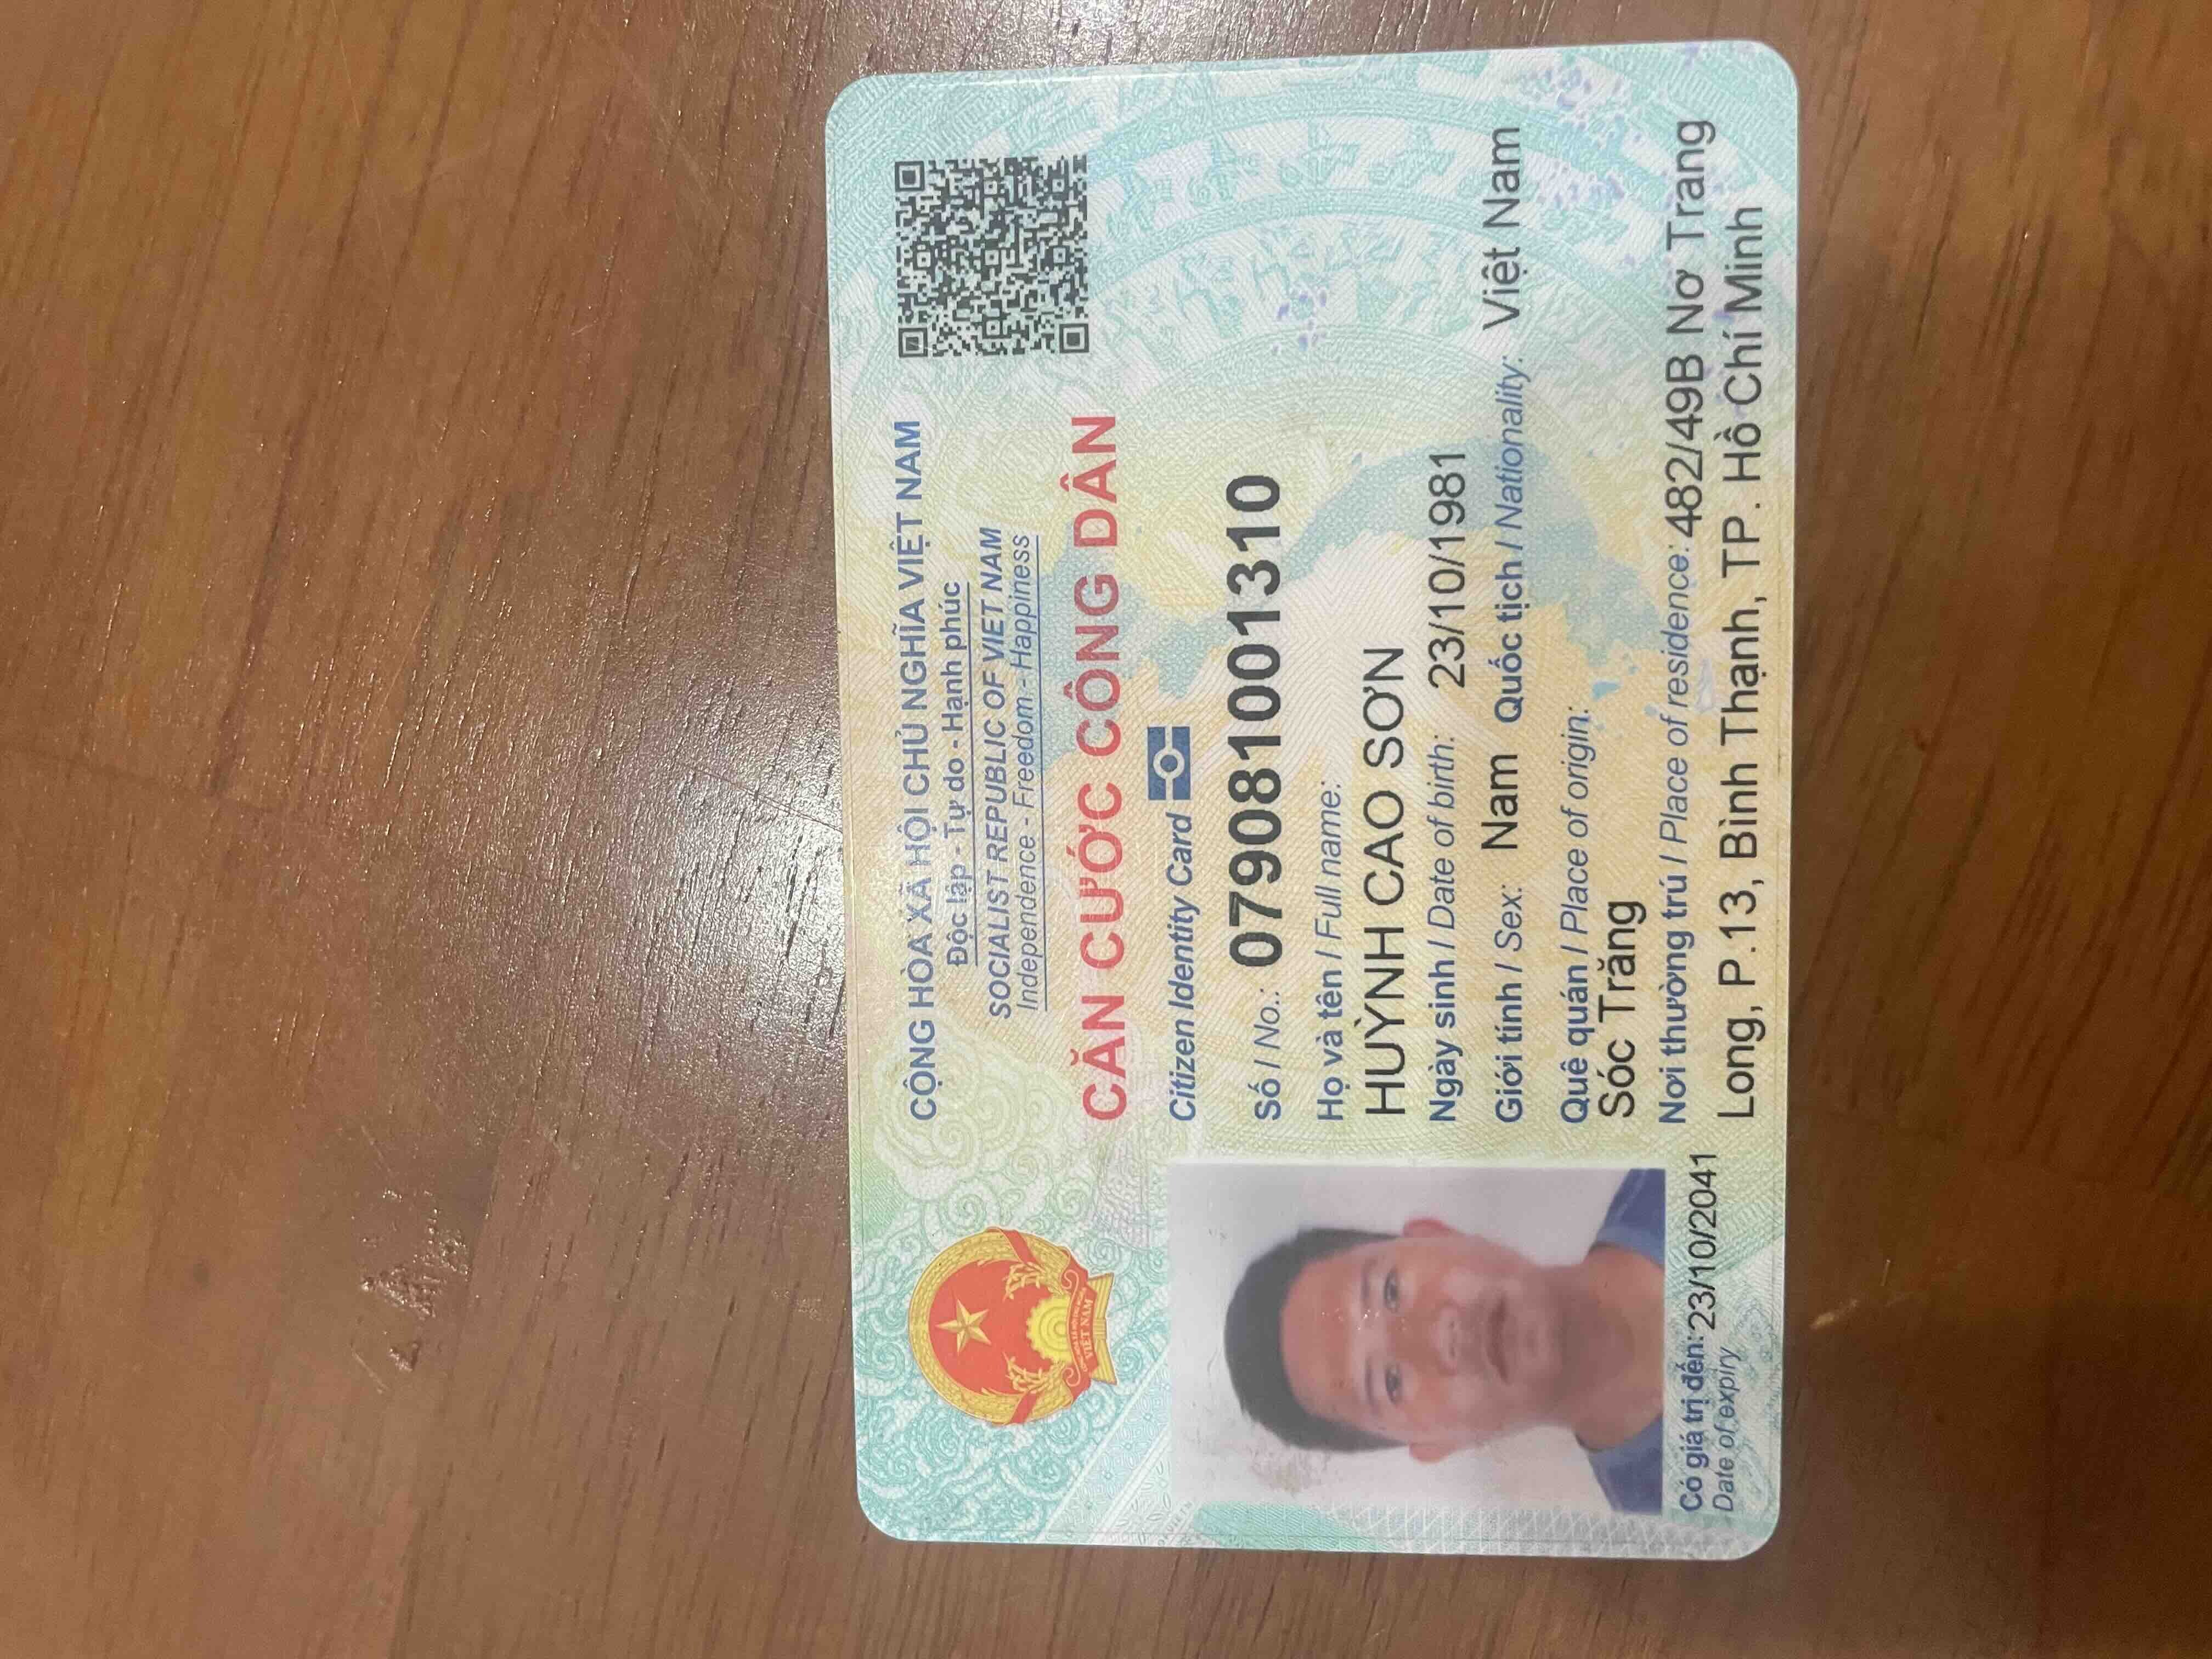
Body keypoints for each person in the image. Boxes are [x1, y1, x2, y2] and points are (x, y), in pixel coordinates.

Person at [1222, 1169, 1665, 1512]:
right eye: (1391, 1383)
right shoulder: (1671, 1534)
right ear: (1437, 1444)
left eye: (1391, 1291)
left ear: (1435, 1234)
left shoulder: (1687, 1157)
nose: (1435, 1335)